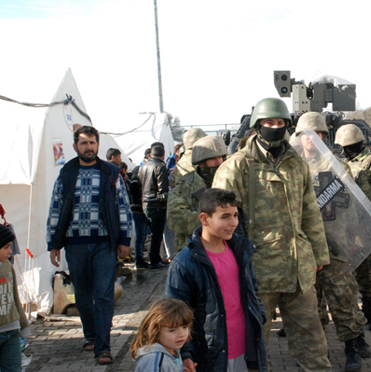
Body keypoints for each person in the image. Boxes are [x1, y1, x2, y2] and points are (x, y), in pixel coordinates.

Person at [212, 98, 331, 371]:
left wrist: (318, 253)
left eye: (280, 123)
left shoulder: (296, 163)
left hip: (298, 270)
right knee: (253, 345)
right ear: (257, 126)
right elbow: (219, 222)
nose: (274, 128)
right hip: (257, 273)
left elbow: (310, 212)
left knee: (313, 343)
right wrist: (227, 264)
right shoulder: (237, 166)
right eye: (269, 123)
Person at [46, 125, 132, 365]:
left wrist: (125, 240)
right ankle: (91, 335)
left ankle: (103, 348)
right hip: (75, 245)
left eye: (92, 143)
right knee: (83, 294)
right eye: (84, 143)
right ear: (76, 147)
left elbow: (123, 209)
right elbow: (55, 209)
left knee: (104, 295)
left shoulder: (111, 173)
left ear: (98, 145)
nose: (89, 147)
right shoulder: (66, 173)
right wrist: (54, 243)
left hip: (105, 244)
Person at [295, 112, 371, 372]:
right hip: (305, 249)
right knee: (311, 305)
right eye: (306, 134)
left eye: (316, 134)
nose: (311, 139)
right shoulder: (292, 168)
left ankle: (352, 346)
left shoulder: (336, 166)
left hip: (335, 245)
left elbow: (351, 209)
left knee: (343, 298)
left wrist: (351, 239)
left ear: (323, 137)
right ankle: (318, 349)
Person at [166, 189, 267, 372]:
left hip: (245, 351)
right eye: (225, 217)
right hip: (210, 357)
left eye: (236, 216)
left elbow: (253, 291)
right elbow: (176, 313)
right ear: (205, 219)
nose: (233, 223)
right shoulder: (185, 263)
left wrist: (259, 316)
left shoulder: (241, 251)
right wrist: (186, 353)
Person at [335, 123, 371, 332]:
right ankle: (367, 306)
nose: (344, 150)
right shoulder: (343, 165)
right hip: (354, 226)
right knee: (360, 270)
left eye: (347, 146)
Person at [168, 136, 227, 250]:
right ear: (200, 163)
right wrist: (215, 218)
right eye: (213, 159)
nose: (219, 162)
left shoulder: (228, 181)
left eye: (221, 157)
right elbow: (176, 219)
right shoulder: (184, 187)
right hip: (194, 251)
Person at [131, 298, 194, 372]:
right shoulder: (155, 362)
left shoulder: (173, 350)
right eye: (172, 330)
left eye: (184, 327)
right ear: (156, 331)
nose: (181, 334)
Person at [0, 225, 30, 372]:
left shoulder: (8, 267)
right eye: (6, 247)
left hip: (11, 330)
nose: (10, 251)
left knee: (13, 368)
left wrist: (23, 324)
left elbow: (15, 297)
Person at [139, 145, 170, 269]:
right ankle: (155, 259)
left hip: (145, 202)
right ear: (163, 155)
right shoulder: (160, 167)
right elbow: (162, 189)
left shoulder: (143, 166)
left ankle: (154, 258)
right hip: (157, 203)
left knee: (152, 234)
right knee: (157, 234)